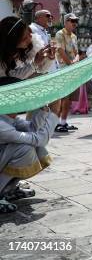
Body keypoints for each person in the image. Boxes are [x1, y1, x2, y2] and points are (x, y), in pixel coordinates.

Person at [0, 77, 56, 213]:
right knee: (24, 149)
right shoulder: (1, 124)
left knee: (36, 149)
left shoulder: (9, 117)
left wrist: (42, 110)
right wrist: (54, 115)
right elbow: (39, 139)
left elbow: (32, 130)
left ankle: (8, 189)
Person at [55, 13, 80, 132]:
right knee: (63, 97)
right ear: (65, 22)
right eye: (72, 21)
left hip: (72, 69)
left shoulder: (74, 36)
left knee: (69, 98)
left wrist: (75, 61)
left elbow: (77, 53)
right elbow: (60, 51)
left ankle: (63, 122)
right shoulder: (60, 34)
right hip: (63, 69)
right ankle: (56, 122)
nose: (74, 23)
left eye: (76, 21)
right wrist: (71, 64)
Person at [71, 50, 90, 115]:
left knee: (82, 95)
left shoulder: (81, 61)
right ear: (80, 55)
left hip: (81, 80)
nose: (84, 56)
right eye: (83, 55)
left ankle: (82, 109)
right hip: (77, 81)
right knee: (78, 95)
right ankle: (76, 109)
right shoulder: (76, 61)